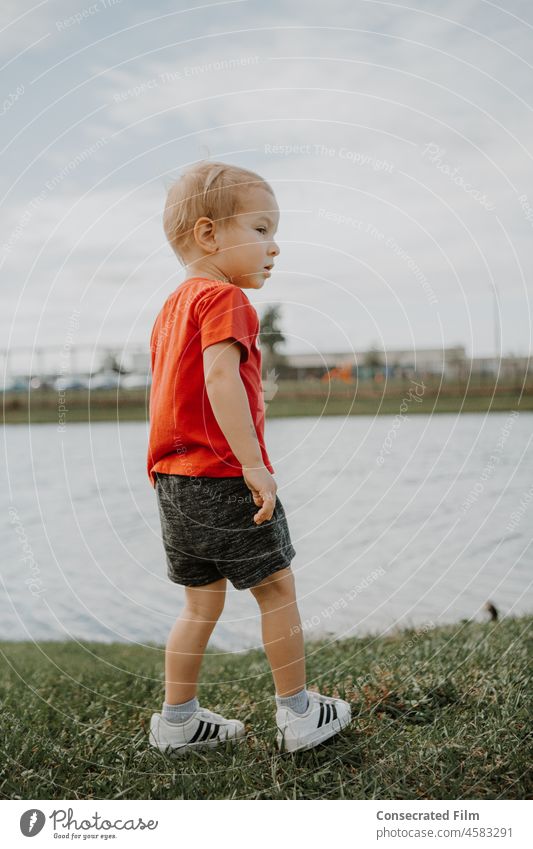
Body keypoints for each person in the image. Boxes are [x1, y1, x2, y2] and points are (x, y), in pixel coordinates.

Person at [147, 160, 351, 754]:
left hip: (173, 483)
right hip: (224, 477)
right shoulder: (226, 299)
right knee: (277, 590)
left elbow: (173, 397)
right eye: (262, 230)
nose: (275, 247)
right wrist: (254, 466)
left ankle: (178, 721)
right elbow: (219, 378)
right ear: (209, 235)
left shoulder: (169, 311)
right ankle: (299, 713)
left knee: (200, 601)